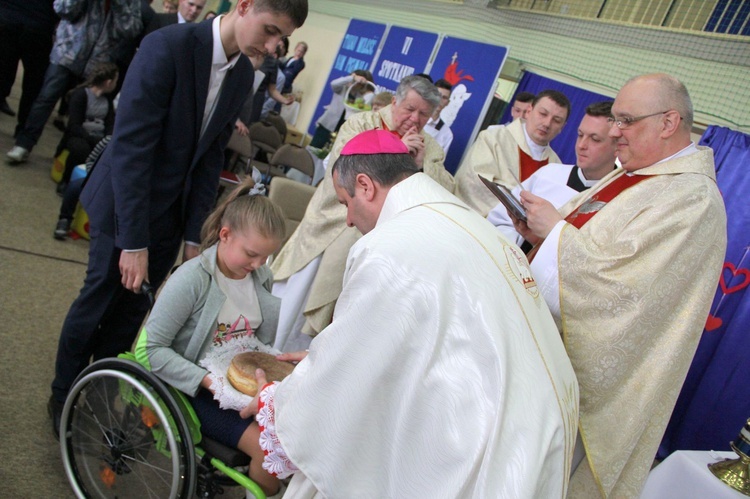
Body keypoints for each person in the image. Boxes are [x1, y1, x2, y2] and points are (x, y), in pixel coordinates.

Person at [240, 129, 579, 497]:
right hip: (535, 424)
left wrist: (281, 400)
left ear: (366, 186)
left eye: (345, 202)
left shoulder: (390, 245)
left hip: (486, 436)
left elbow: (344, 379)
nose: (349, 221)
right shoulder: (467, 222)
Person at [47, 0, 308, 438]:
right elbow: (131, 150)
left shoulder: (243, 73)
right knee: (98, 300)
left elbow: (208, 160)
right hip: (124, 205)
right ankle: (62, 395)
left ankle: (98, 390)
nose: (272, 45)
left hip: (171, 213)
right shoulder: (167, 46)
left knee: (133, 316)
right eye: (268, 31)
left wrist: (194, 237)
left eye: (280, 39)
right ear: (242, 6)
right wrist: (133, 243)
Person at [515, 74, 727, 497]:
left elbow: (627, 295)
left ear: (668, 123)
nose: (614, 132)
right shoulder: (634, 175)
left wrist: (555, 234)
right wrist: (543, 234)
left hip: (583, 393)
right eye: (615, 119)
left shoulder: (692, 200)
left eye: (626, 120)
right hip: (539, 357)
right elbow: (587, 242)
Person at [271, 75, 454, 352]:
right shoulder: (361, 124)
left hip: (380, 239)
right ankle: (275, 347)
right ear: (395, 101)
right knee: (295, 302)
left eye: (424, 114)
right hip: (334, 220)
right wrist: (396, 154)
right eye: (409, 109)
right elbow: (339, 166)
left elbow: (446, 192)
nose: (415, 119)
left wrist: (418, 167)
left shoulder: (431, 148)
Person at [135, 178, 286, 497]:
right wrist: (210, 383)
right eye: (251, 254)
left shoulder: (260, 276)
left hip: (236, 384)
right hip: (193, 388)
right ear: (225, 235)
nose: (258, 265)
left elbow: (256, 346)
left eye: (265, 257)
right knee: (269, 448)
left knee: (295, 430)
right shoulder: (191, 280)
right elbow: (147, 351)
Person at [5, 0, 142, 165]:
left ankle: (65, 158)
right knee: (46, 97)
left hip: (99, 60)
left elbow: (132, 30)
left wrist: (119, 5)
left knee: (85, 110)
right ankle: (24, 144)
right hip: (67, 52)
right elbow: (61, 9)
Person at [488, 100, 617, 249]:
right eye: (580, 135)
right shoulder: (549, 174)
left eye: (595, 139)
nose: (582, 145)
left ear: (617, 146)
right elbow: (500, 219)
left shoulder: (618, 200)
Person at [455, 89, 570, 216]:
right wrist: (522, 213)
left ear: (562, 128)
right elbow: (473, 183)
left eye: (557, 120)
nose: (547, 123)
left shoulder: (557, 167)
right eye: (543, 114)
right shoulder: (493, 138)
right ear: (529, 111)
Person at [53, 62, 119, 197]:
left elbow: (110, 123)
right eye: (115, 81)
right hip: (80, 135)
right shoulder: (81, 95)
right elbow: (74, 125)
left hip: (98, 136)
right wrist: (92, 138)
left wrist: (107, 138)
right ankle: (66, 181)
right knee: (81, 149)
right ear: (108, 82)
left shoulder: (107, 100)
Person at [0, 0, 57, 136]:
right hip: (38, 26)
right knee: (33, 84)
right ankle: (23, 131)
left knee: (3, 71)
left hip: (8, 20)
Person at [54, 135, 112, 240]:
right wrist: (94, 177)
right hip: (99, 180)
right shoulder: (109, 141)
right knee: (75, 186)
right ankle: (64, 219)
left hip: (120, 190)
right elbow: (90, 160)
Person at [308, 69, 374, 149]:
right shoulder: (341, 89)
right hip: (327, 125)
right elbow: (333, 83)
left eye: (359, 83)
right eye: (355, 81)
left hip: (342, 129)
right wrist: (352, 78)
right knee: (314, 148)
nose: (355, 84)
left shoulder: (360, 97)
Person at [423, 78, 454, 154]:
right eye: (438, 95)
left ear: (448, 102)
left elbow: (438, 162)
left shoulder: (447, 134)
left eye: (444, 97)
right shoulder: (415, 116)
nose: (440, 100)